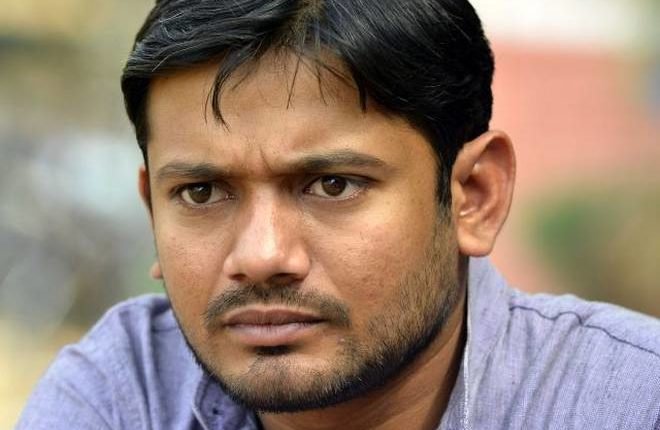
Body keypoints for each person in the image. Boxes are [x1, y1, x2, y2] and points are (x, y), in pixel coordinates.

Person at [17, 1, 660, 429]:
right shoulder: (126, 394)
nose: (261, 256)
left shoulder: (629, 401)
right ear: (152, 211)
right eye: (202, 193)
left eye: (332, 185)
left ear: (474, 195)